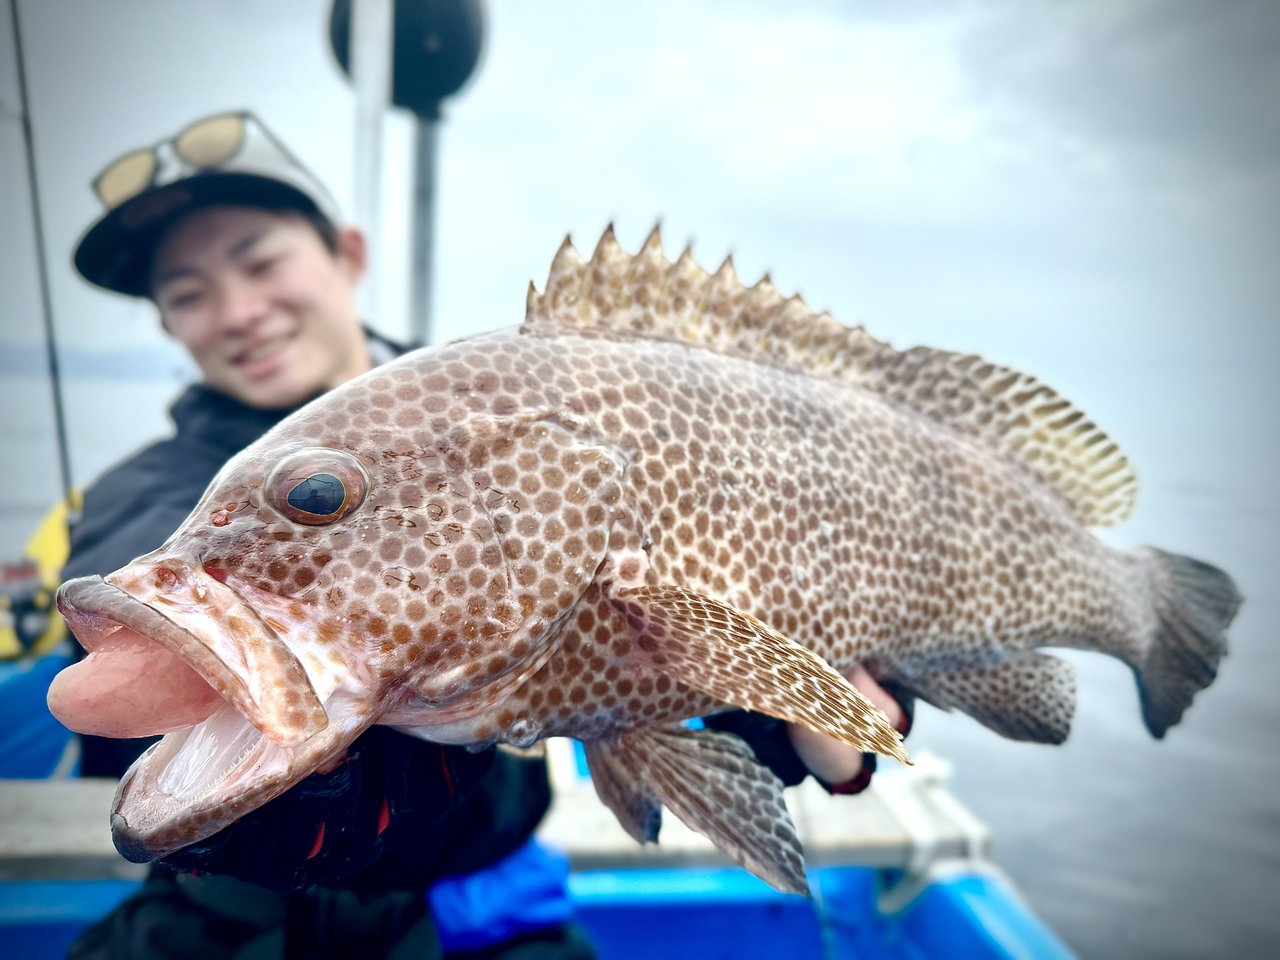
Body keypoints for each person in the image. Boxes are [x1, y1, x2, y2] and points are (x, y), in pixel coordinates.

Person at [59, 109, 910, 959]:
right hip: (229, 925)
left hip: (486, 920)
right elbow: (141, 718)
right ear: (170, 326)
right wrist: (325, 762)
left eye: (260, 260)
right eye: (187, 293)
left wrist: (812, 725)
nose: (239, 311)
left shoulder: (512, 418)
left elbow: (720, 588)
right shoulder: (141, 495)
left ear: (346, 256)